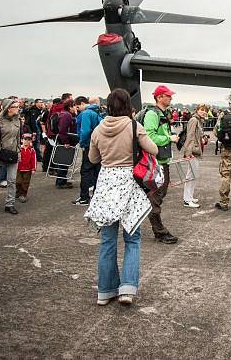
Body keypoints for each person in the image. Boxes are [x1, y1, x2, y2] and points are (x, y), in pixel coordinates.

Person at [84, 88, 158, 306]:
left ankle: (105, 291)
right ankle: (127, 288)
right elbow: (153, 149)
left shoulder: (98, 129)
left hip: (106, 184)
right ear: (127, 105)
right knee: (132, 238)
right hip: (129, 183)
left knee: (107, 240)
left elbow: (92, 158)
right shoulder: (134, 126)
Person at [141, 85, 180, 244]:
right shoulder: (152, 114)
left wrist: (170, 135)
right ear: (159, 97)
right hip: (156, 163)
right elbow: (148, 136)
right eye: (167, 96)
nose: (171, 98)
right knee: (156, 196)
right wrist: (168, 139)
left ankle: (158, 228)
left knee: (158, 195)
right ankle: (159, 231)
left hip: (162, 161)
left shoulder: (161, 113)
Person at [73, 96, 103, 205]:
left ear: (81, 103)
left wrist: (81, 142)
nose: (77, 109)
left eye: (77, 107)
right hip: (98, 146)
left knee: (85, 171)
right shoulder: (97, 112)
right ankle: (96, 197)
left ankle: (84, 197)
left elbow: (85, 131)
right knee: (97, 171)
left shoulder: (86, 113)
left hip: (89, 146)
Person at [179, 103, 209, 208]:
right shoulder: (194, 120)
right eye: (201, 110)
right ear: (197, 110)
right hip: (193, 152)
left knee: (193, 175)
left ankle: (189, 197)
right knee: (191, 175)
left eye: (205, 110)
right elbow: (190, 136)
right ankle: (187, 200)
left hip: (195, 151)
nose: (204, 112)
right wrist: (188, 153)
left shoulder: (199, 120)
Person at [54, 99, 78, 189]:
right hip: (66, 141)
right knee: (63, 162)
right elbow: (63, 130)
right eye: (74, 105)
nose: (76, 107)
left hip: (65, 140)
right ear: (70, 106)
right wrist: (66, 142)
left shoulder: (65, 114)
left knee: (64, 162)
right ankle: (61, 182)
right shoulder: (66, 115)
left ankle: (62, 180)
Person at [15, 133, 38, 203]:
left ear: (31, 141)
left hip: (28, 169)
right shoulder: (19, 149)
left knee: (25, 183)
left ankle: (23, 194)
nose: (27, 141)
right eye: (25, 139)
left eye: (29, 140)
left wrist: (33, 168)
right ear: (21, 140)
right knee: (18, 182)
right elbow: (15, 159)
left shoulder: (32, 150)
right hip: (19, 169)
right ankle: (18, 192)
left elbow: (34, 160)